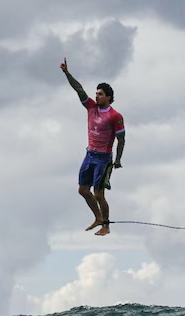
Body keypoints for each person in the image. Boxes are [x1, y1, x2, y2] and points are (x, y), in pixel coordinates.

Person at [60, 58, 125, 236]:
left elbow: (122, 139)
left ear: (109, 97)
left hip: (104, 159)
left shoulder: (115, 116)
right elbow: (79, 89)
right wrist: (67, 73)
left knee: (98, 194)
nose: (97, 96)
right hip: (89, 155)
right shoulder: (91, 108)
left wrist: (118, 160)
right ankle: (97, 217)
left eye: (101, 94)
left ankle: (106, 225)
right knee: (82, 190)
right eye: (96, 93)